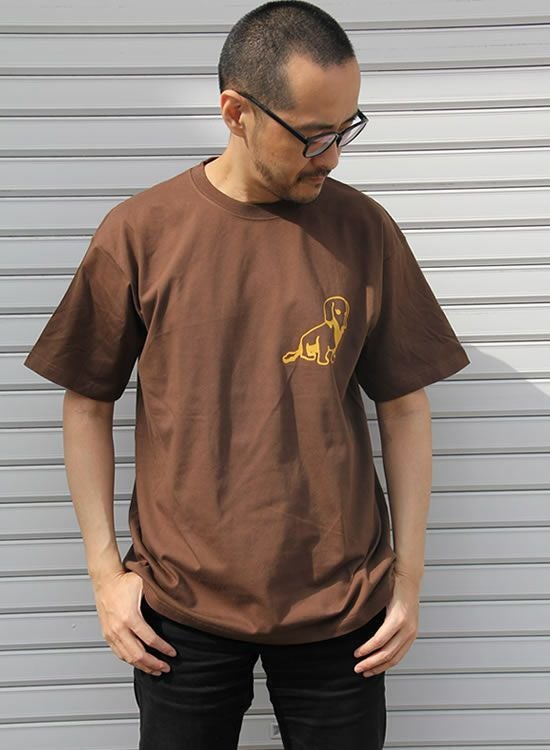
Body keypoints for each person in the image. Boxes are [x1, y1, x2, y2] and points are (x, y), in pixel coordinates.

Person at [23, 2, 470, 748]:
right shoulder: (141, 233)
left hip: (341, 607)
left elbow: (404, 406)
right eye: (313, 135)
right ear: (236, 112)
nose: (333, 156)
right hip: (179, 611)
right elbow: (87, 402)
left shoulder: (363, 230)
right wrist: (105, 576)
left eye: (347, 128)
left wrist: (410, 579)